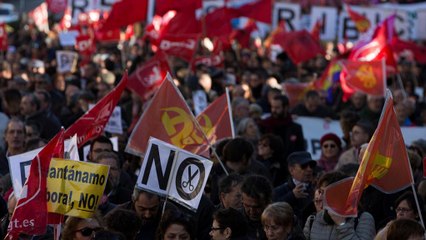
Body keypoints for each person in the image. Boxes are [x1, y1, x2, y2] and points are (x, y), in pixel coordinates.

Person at [303, 171, 376, 240]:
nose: (321, 197)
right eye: (321, 192)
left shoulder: (363, 219)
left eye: (327, 193)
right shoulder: (312, 220)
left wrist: (342, 225)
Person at [258, 95, 305, 166]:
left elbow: (301, 150)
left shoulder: (296, 128)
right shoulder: (264, 125)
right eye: (272, 107)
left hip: (289, 166)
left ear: (286, 108)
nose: (274, 110)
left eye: (277, 108)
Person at [274, 151, 316, 228]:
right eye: (304, 166)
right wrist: (292, 196)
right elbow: (272, 211)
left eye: (311, 165)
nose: (309, 169)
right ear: (291, 170)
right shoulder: (280, 190)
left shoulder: (317, 189)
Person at [241, 174, 273, 240]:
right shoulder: (233, 220)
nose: (252, 211)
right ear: (242, 200)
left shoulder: (282, 219)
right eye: (247, 205)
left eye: (257, 207)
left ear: (268, 202)